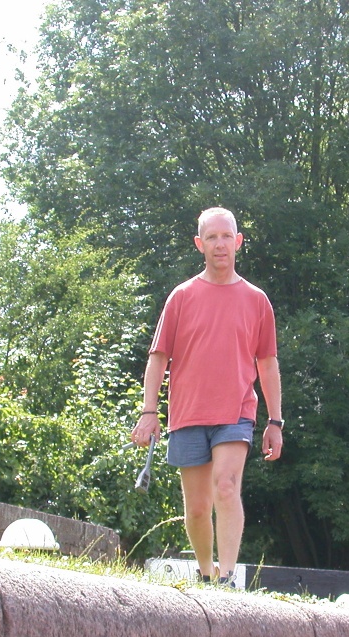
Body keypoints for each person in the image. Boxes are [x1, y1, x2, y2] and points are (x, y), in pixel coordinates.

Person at [130, 207, 283, 586]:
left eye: (226, 236)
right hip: (188, 414)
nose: (220, 244)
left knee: (227, 486)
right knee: (197, 509)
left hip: (236, 413)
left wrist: (275, 421)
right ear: (200, 244)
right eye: (211, 237)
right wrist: (149, 412)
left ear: (238, 242)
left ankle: (229, 577)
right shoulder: (181, 297)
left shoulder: (257, 300)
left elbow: (267, 364)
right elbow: (158, 358)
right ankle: (205, 575)